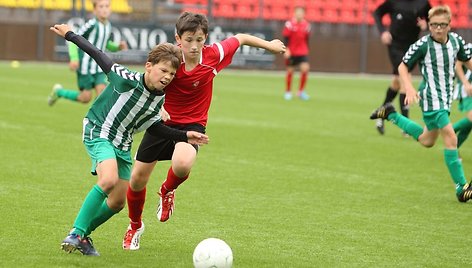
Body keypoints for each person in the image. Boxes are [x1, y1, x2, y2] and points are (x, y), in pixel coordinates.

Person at [122, 12, 286, 250]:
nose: (194, 46)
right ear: (178, 38)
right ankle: (135, 226)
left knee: (183, 162)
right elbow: (149, 80)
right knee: (136, 180)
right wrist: (157, 108)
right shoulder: (171, 60)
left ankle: (167, 191)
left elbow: (240, 38)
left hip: (192, 126)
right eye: (189, 40)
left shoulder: (213, 56)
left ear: (205, 38)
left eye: (199, 39)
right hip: (160, 124)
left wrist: (269, 46)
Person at [49, 23, 209, 256]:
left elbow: (156, 128)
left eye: (172, 74)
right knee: (108, 179)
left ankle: (83, 237)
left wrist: (185, 135)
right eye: (163, 70)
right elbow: (98, 54)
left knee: (117, 203)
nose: (167, 77)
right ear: (149, 66)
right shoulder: (124, 78)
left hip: (122, 144)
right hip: (99, 131)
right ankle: (75, 232)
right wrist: (70, 35)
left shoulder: (159, 99)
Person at [370, 5, 472, 202]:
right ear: (429, 26)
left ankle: (390, 113)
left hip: (445, 97)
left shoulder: (457, 42)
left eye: (442, 25)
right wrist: (408, 87)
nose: (438, 29)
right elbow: (402, 66)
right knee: (450, 137)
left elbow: (468, 62)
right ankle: (462, 187)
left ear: (449, 25)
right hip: (431, 98)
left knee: (427, 140)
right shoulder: (423, 45)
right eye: (434, 25)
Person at [48, 0, 127, 106]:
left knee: (102, 95)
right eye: (101, 6)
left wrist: (117, 47)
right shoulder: (91, 24)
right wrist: (74, 58)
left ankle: (97, 121)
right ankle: (59, 92)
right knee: (85, 98)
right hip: (85, 67)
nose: (104, 9)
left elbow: (105, 43)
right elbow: (73, 38)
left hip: (99, 67)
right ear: (94, 10)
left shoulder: (108, 25)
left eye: (107, 6)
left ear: (110, 9)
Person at [371, 0, 431, 135]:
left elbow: (432, 18)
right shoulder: (393, 1)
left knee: (396, 83)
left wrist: (426, 25)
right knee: (406, 79)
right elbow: (377, 12)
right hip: (395, 46)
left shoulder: (423, 3)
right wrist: (382, 32)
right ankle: (406, 125)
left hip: (412, 47)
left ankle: (381, 114)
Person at [282, 6, 311, 101]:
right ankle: (288, 91)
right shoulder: (289, 24)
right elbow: (286, 38)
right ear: (294, 13)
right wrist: (286, 50)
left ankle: (301, 91)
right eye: (298, 12)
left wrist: (307, 49)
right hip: (291, 52)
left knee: (305, 68)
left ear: (304, 14)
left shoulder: (306, 25)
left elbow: (307, 39)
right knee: (290, 71)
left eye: (301, 13)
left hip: (302, 51)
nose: (299, 14)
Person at [453, 46, 472, 149]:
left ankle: (454, 148)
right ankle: (450, 130)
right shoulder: (469, 48)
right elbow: (458, 65)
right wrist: (466, 83)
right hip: (467, 90)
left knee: (469, 125)